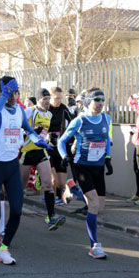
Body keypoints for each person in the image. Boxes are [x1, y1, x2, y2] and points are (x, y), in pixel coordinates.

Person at [0, 76, 52, 265]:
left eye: (15, 92)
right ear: (2, 91)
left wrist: (40, 141)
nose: (13, 95)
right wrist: (4, 95)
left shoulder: (20, 111)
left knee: (16, 210)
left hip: (12, 166)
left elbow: (29, 130)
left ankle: (3, 249)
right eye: (9, 91)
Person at [58, 88, 112, 259]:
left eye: (103, 100)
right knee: (94, 204)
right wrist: (65, 156)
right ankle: (94, 246)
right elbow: (62, 140)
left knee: (99, 208)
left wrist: (108, 158)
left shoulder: (106, 118)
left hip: (99, 167)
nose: (101, 103)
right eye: (97, 99)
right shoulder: (80, 121)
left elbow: (106, 140)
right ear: (89, 101)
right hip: (82, 166)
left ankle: (73, 189)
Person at [22, 88, 66, 230]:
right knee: (20, 188)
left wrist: (48, 139)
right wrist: (32, 132)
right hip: (26, 152)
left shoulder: (49, 114)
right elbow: (18, 128)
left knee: (48, 184)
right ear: (39, 99)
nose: (47, 102)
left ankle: (51, 216)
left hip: (41, 152)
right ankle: (12, 212)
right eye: (45, 99)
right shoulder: (30, 111)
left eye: (48, 99)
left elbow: (45, 133)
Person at [48, 87, 72, 205]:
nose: (59, 100)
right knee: (53, 179)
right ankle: (51, 201)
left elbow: (73, 122)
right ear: (51, 97)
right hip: (47, 146)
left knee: (62, 182)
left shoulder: (63, 108)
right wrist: (47, 135)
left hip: (60, 146)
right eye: (56, 98)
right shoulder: (46, 108)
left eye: (60, 98)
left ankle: (59, 197)